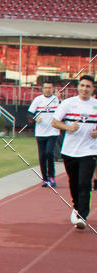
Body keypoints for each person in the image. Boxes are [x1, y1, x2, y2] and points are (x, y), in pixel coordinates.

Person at [51, 74, 97, 230]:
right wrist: (69, 127)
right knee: (74, 182)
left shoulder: (96, 104)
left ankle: (82, 216)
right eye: (82, 85)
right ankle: (76, 208)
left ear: (93, 89)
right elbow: (55, 122)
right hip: (70, 151)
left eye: (88, 86)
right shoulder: (68, 104)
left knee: (85, 183)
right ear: (78, 87)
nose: (85, 89)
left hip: (89, 151)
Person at [27, 79, 60, 186]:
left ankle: (52, 177)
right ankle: (45, 179)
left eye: (50, 88)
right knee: (42, 156)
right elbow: (29, 114)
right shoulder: (38, 100)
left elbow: (62, 111)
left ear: (53, 89)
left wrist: (60, 100)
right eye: (46, 88)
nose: (47, 90)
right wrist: (36, 118)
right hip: (40, 133)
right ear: (42, 89)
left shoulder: (56, 99)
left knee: (49, 153)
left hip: (53, 131)